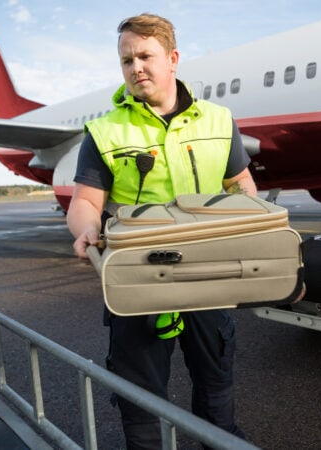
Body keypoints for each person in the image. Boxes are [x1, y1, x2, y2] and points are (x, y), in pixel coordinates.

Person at [66, 13, 257, 449]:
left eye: (145, 56)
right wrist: (83, 229)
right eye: (126, 59)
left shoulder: (218, 120)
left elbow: (241, 185)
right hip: (138, 280)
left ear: (172, 59)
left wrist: (252, 221)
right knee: (140, 397)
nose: (136, 67)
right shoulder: (105, 131)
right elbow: (86, 202)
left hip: (208, 275)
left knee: (216, 386)